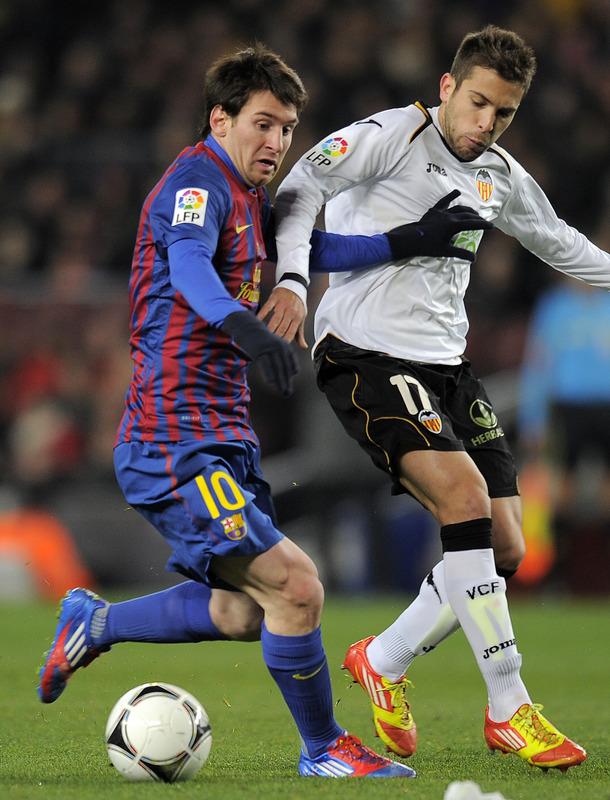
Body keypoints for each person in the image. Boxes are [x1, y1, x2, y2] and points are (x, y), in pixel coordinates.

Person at [37, 43, 492, 779]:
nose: (277, 143)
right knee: (297, 585)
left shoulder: (253, 199)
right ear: (220, 118)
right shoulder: (197, 184)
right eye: (263, 124)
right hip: (174, 438)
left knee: (247, 610)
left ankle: (96, 622)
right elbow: (187, 267)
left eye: (286, 129)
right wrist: (248, 328)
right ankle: (325, 750)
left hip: (224, 434)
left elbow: (316, 246)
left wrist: (412, 240)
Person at [266, 25, 603, 772]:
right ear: (449, 88)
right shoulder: (391, 136)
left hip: (449, 369)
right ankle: (510, 705)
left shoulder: (501, 176)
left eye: (505, 113)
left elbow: (557, 240)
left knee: (506, 546)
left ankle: (383, 659)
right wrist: (292, 280)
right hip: (366, 354)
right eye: (479, 103)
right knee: (463, 500)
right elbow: (299, 189)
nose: (487, 124)